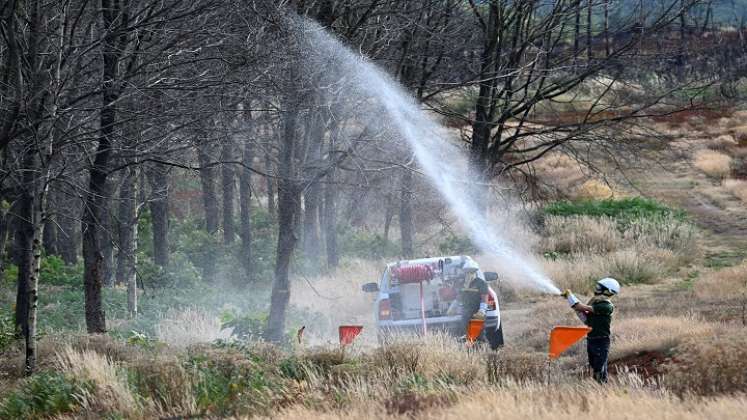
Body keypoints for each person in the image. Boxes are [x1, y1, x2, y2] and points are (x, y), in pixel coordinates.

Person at [562, 277, 620, 383]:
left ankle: (601, 390)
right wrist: (571, 300)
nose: (596, 289)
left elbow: (580, 307)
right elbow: (585, 318)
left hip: (601, 341)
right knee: (595, 368)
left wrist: (570, 296)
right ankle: (600, 390)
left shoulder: (606, 306)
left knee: (599, 369)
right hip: (591, 339)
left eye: (599, 287)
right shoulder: (597, 304)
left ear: (608, 291)